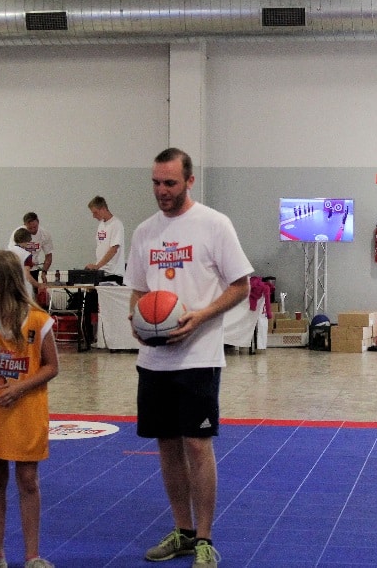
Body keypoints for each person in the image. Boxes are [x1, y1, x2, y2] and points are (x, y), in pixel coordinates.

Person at [124, 148, 252, 568]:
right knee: (167, 445)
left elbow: (241, 286)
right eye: (156, 183)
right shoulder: (145, 232)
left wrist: (201, 316)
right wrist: (136, 318)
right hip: (154, 358)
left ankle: (205, 538)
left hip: (198, 356)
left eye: (170, 183)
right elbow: (139, 290)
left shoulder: (214, 224)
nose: (161, 191)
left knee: (197, 445)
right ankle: (182, 530)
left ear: (189, 181)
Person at [0, 250, 59, 568]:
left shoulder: (38, 320)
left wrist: (20, 387)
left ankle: (32, 556)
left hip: (27, 411)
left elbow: (52, 367)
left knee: (28, 481)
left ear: (5, 281)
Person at [81, 196, 126, 346]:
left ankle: (110, 339)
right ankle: (90, 338)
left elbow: (114, 249)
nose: (94, 216)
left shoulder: (116, 225)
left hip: (112, 273)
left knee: (107, 308)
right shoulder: (101, 225)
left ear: (103, 209)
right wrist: (96, 267)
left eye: (95, 212)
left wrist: (98, 265)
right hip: (100, 272)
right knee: (87, 303)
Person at [7, 212, 53, 284]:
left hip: (34, 270)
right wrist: (26, 262)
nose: (33, 230)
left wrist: (44, 272)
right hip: (19, 269)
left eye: (35, 227)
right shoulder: (18, 233)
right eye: (30, 228)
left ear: (38, 222)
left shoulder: (45, 234)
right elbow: (11, 254)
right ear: (25, 225)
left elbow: (48, 255)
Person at [9, 227, 42, 300]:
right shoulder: (26, 255)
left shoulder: (6, 252)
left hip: (8, 289)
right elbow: (27, 276)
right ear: (28, 240)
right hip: (23, 290)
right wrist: (38, 285)